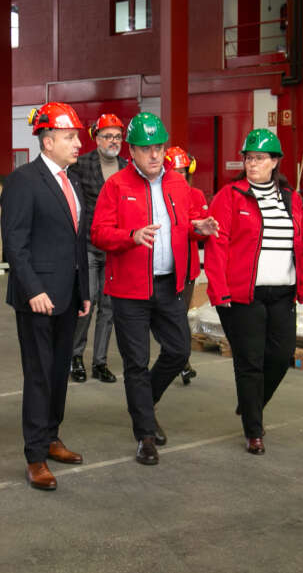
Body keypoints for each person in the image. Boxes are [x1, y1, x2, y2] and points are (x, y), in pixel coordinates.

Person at [91, 113, 219, 465]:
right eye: (146, 149)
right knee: (135, 362)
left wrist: (200, 228)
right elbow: (98, 233)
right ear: (131, 150)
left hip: (169, 286)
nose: (153, 155)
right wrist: (129, 237)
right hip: (130, 290)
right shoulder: (116, 185)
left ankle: (145, 402)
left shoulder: (179, 184)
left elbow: (186, 227)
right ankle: (145, 434)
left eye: (158, 148)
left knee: (178, 351)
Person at [205, 129, 303, 454]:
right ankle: (254, 430)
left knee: (281, 357)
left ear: (275, 162)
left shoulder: (291, 198)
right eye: (248, 157)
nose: (252, 163)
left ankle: (251, 403)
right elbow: (217, 245)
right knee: (250, 362)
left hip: (282, 293)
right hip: (245, 294)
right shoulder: (230, 195)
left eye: (259, 158)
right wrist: (220, 291)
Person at [1, 102, 91, 491]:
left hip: (68, 295)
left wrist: (84, 290)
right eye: (70, 137)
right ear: (48, 140)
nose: (77, 144)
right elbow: (15, 245)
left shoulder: (72, 181)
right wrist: (33, 288)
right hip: (37, 297)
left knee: (58, 373)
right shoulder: (24, 180)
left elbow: (77, 241)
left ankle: (52, 436)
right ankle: (35, 455)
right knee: (38, 376)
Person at [66, 113, 128, 384]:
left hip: (115, 248)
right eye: (107, 136)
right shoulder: (81, 165)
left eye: (117, 136)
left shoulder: (128, 167)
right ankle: (75, 356)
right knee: (87, 303)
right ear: (97, 138)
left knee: (109, 307)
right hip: (89, 246)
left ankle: (100, 362)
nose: (113, 141)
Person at [163, 145, 207, 385]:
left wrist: (197, 227)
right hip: (164, 267)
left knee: (180, 313)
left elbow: (200, 234)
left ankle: (182, 361)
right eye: (175, 171)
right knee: (171, 316)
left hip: (187, 267)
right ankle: (180, 360)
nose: (180, 176)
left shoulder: (196, 195)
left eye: (183, 171)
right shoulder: (159, 194)